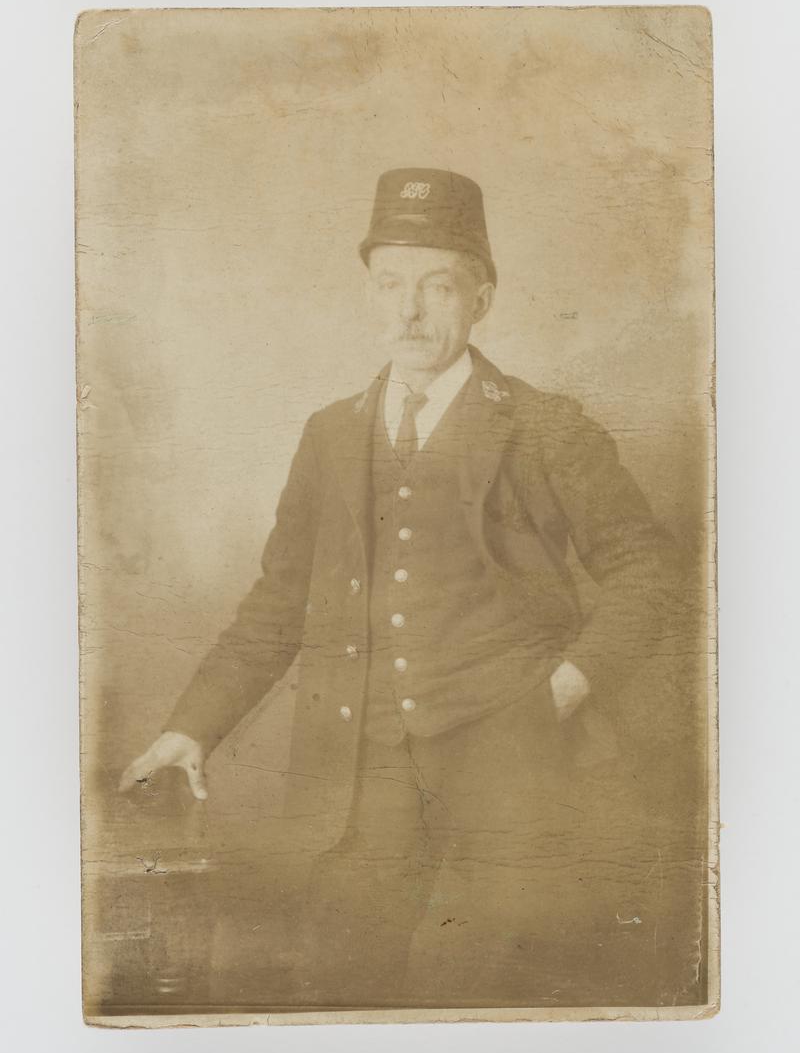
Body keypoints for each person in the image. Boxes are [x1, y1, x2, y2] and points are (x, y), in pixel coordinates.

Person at [120, 168, 678, 1007]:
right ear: (368, 292)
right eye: (389, 285)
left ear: (481, 298)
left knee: (479, 1008)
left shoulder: (543, 428)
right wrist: (191, 728)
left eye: (436, 285)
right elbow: (278, 607)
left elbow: (650, 572)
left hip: (513, 791)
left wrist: (564, 687)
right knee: (341, 994)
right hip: (355, 799)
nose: (408, 311)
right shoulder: (331, 433)